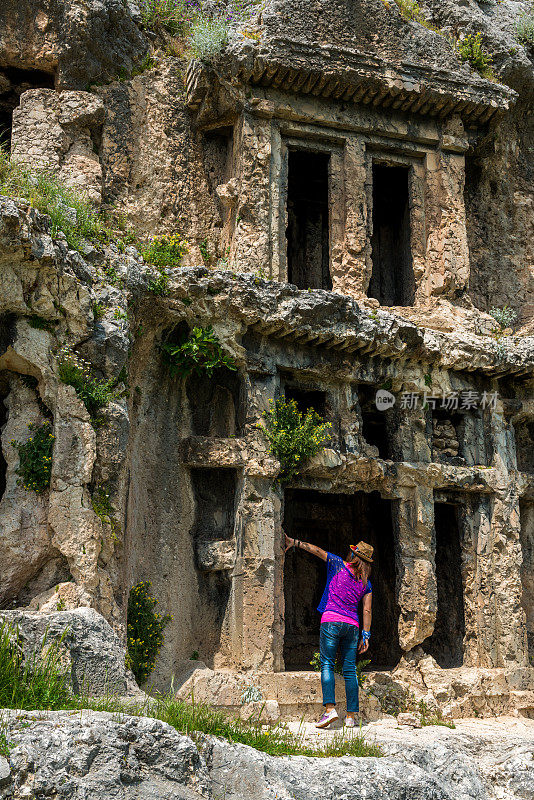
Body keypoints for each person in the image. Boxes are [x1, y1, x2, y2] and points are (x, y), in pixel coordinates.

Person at [284, 533, 373, 729]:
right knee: (350, 669)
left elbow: (317, 551)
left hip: (331, 620)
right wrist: (366, 635)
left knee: (327, 664)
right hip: (352, 627)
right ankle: (350, 717)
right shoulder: (366, 583)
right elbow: (367, 609)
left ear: (353, 555)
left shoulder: (338, 564)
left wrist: (294, 543)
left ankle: (329, 710)